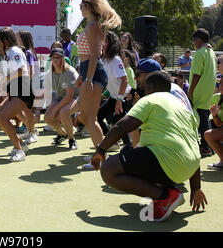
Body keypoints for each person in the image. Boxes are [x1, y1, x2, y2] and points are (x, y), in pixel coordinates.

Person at [91, 71, 207, 222]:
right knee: (132, 152)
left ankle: (166, 197)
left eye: (145, 89)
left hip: (167, 161)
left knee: (108, 169)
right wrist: (196, 188)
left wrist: (100, 150)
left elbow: (122, 126)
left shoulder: (151, 99)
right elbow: (190, 145)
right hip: (187, 168)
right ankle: (166, 192)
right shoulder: (183, 108)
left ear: (150, 88)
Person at [76, 0, 121, 168]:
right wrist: (83, 76)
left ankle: (102, 158)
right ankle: (101, 154)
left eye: (81, 6)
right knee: (88, 118)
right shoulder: (91, 25)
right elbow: (88, 56)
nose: (80, 9)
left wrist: (87, 79)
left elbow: (95, 55)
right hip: (89, 72)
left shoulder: (93, 26)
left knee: (89, 119)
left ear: (88, 7)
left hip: (93, 74)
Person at [0, 27, 35, 162]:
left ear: (5, 40)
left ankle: (19, 150)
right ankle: (20, 143)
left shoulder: (13, 51)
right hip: (15, 90)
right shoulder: (8, 53)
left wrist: (5, 79)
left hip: (23, 89)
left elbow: (22, 70)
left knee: (3, 119)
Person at [97, 31, 131, 149]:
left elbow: (124, 80)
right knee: (99, 116)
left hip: (124, 96)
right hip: (114, 96)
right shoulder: (103, 59)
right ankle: (114, 143)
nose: (101, 43)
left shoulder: (115, 60)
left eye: (105, 41)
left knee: (118, 123)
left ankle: (128, 146)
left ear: (111, 44)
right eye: (101, 40)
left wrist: (119, 100)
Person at [187, 28, 217, 157]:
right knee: (204, 117)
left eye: (194, 40)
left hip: (198, 91)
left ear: (198, 40)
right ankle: (209, 146)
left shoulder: (200, 53)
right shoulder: (212, 52)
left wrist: (190, 93)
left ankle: (206, 147)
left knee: (201, 120)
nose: (193, 43)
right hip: (208, 91)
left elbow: (196, 75)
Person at [43, 47, 79, 150]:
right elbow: (46, 93)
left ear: (62, 58)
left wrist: (55, 109)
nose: (55, 60)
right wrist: (36, 110)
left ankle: (72, 140)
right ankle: (63, 134)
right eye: (53, 57)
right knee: (47, 118)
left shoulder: (70, 72)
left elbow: (69, 96)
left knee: (64, 112)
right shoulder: (49, 74)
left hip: (77, 97)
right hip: (61, 98)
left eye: (58, 57)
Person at [205, 82, 223, 170]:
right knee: (208, 134)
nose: (221, 86)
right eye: (221, 83)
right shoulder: (216, 97)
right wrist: (215, 115)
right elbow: (218, 124)